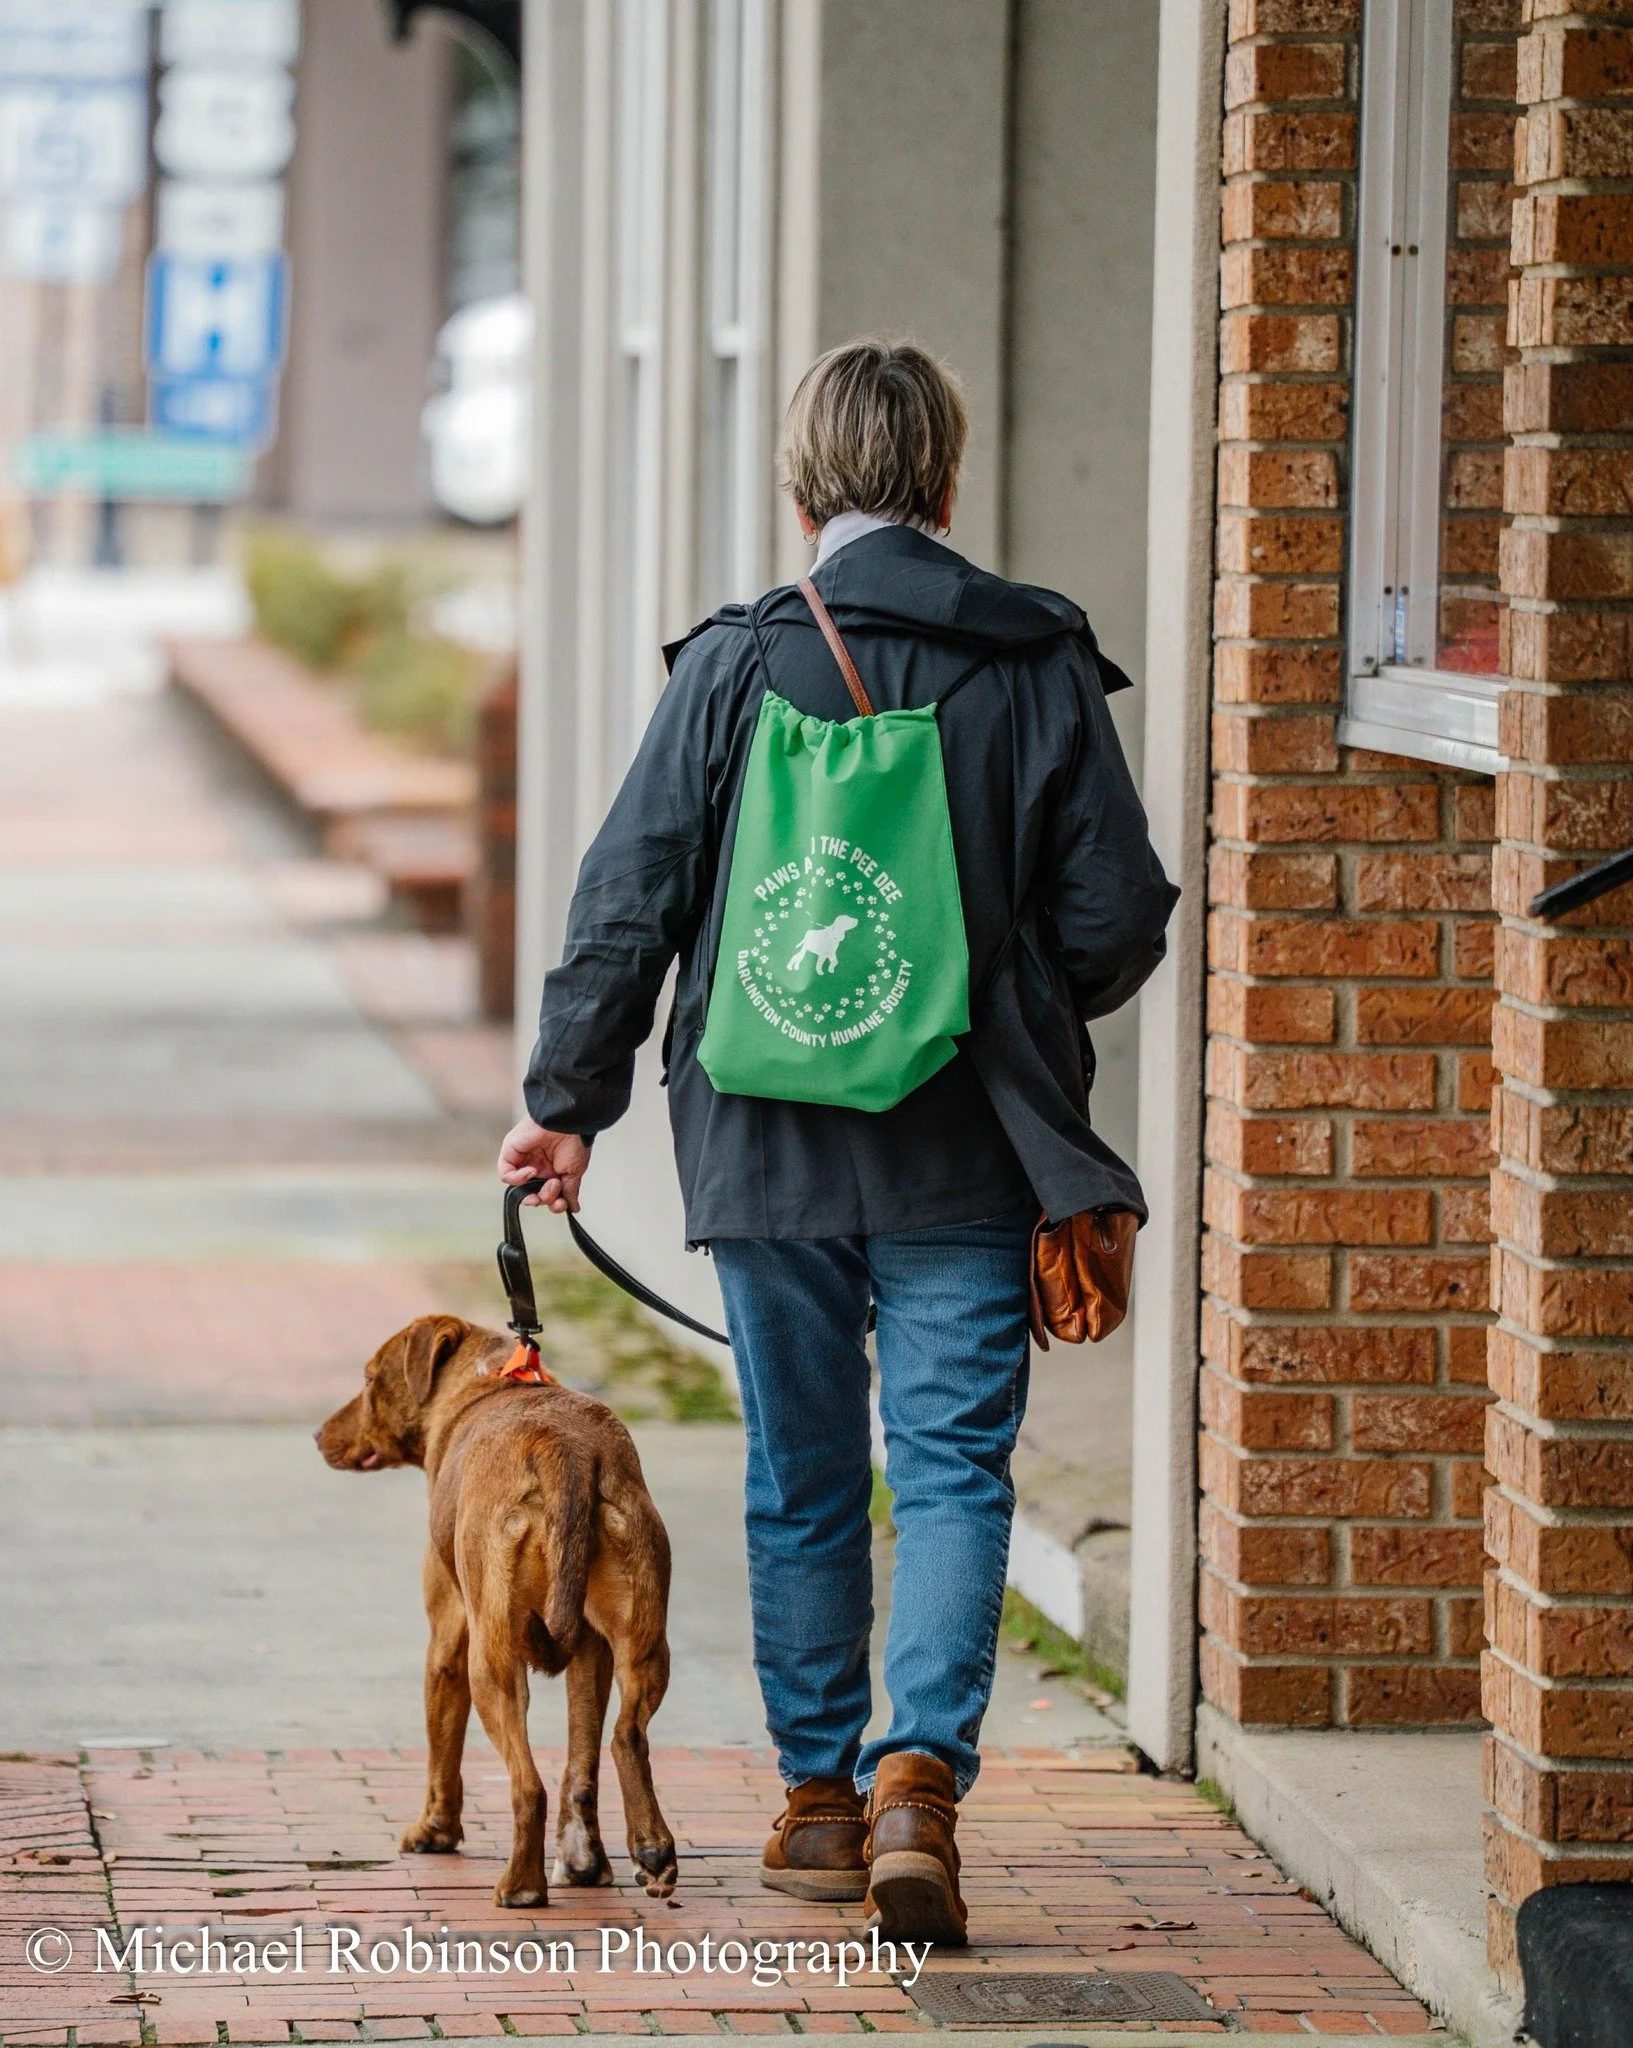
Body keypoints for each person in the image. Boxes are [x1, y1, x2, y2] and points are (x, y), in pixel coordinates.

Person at [499, 338, 1178, 1945]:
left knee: (805, 1475)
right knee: (948, 1471)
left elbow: (632, 897)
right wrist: (1002, 999)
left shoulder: (734, 666)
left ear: (801, 489)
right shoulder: (1036, 659)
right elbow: (1117, 913)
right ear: (948, 481)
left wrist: (563, 1106)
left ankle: (814, 1803)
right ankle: (917, 1787)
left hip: (768, 1137)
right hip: (969, 1141)